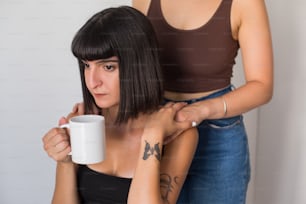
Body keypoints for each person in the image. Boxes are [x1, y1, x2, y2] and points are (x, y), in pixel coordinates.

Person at [42, 6, 198, 204]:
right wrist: (64, 161)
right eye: (86, 65)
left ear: (140, 66)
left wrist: (152, 134)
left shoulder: (179, 133)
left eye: (108, 67)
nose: (92, 82)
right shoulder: (83, 124)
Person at [131, 0, 273, 203]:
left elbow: (262, 86)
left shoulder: (246, 3)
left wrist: (202, 110)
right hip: (158, 128)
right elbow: (129, 66)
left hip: (219, 134)